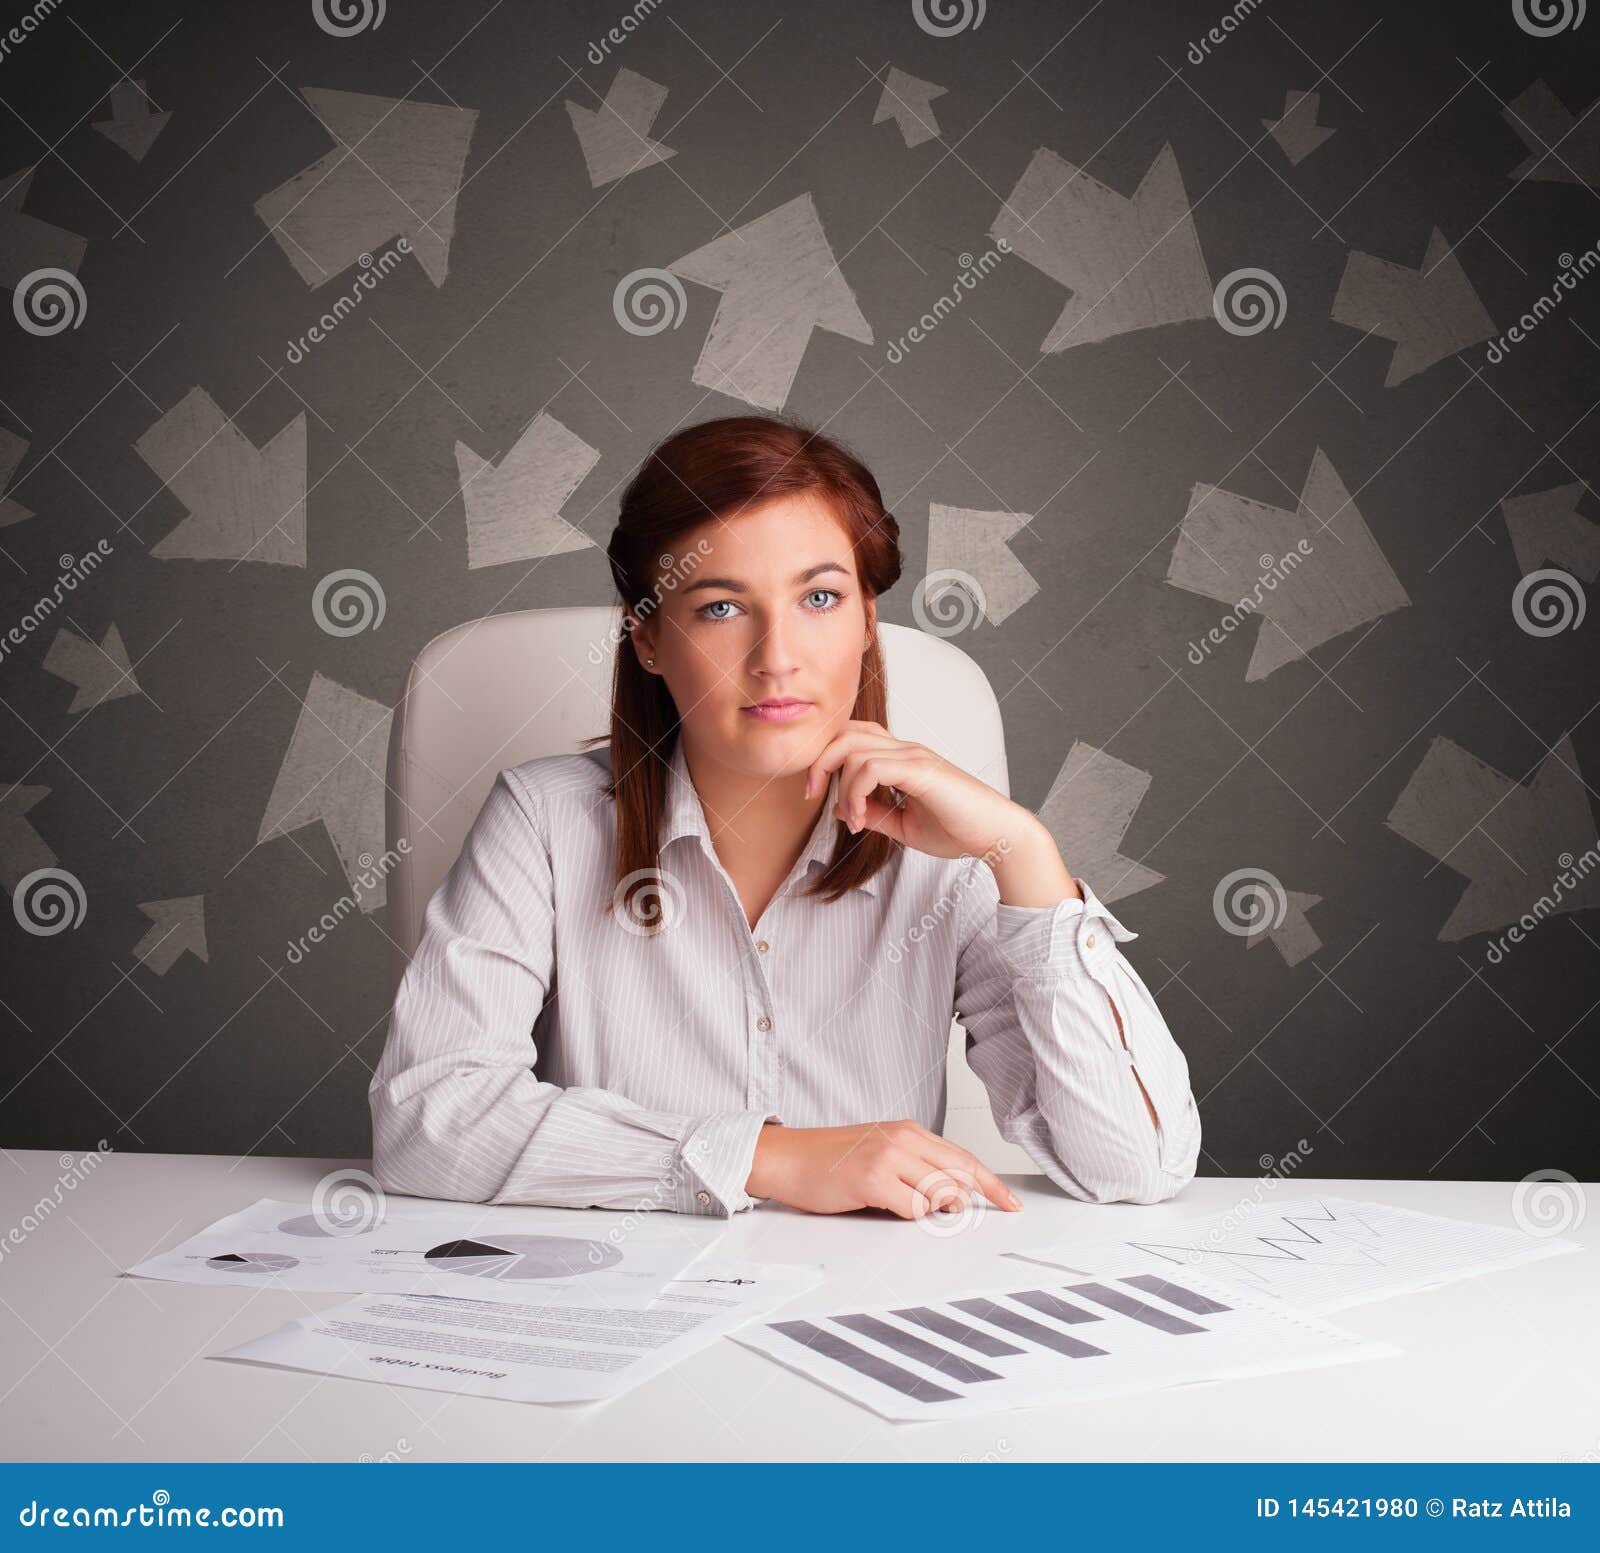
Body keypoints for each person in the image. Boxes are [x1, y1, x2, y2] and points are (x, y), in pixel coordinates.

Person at [369, 414, 1201, 1220]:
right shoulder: (543, 822)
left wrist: (1024, 853)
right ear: (649, 639)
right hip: (617, 1306)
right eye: (721, 608)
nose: (777, 658)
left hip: (869, 1313)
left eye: (822, 597)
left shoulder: (951, 853)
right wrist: (774, 1157)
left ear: (869, 622)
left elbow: (1138, 1165)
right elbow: (427, 1121)